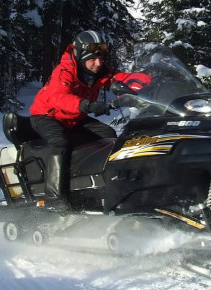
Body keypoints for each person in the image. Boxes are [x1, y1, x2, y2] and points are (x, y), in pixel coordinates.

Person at [30, 30, 151, 210]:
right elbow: (59, 97)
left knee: (108, 135)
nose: (98, 63)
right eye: (93, 59)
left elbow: (121, 77)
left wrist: (152, 79)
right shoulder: (64, 71)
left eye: (101, 58)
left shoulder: (99, 72)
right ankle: (54, 198)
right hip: (47, 116)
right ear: (80, 56)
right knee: (60, 142)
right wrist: (89, 106)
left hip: (73, 118)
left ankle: (101, 184)